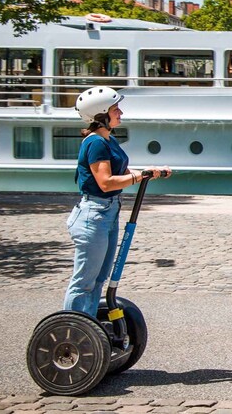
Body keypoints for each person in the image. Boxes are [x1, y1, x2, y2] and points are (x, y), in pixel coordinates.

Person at [63, 86, 172, 316]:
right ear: (102, 114)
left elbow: (120, 170)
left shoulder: (108, 140)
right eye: (115, 109)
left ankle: (89, 329)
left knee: (99, 278)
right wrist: (138, 176)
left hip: (109, 212)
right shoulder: (95, 143)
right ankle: (72, 330)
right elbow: (105, 182)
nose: (120, 112)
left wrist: (148, 171)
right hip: (93, 215)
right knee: (84, 281)